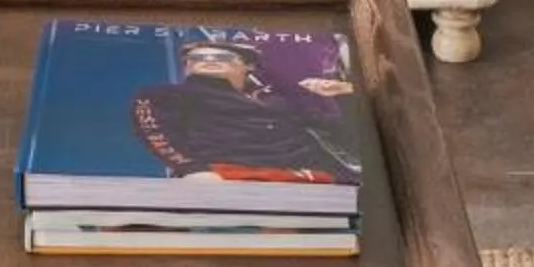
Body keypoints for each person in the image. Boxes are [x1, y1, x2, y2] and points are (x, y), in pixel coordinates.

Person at [131, 40, 363, 182]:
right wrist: (193, 169)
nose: (209, 60)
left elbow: (335, 132)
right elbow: (156, 133)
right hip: (225, 173)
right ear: (187, 66)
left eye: (222, 57)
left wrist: (344, 95)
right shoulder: (164, 95)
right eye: (198, 57)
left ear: (247, 65)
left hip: (304, 175)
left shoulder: (279, 99)